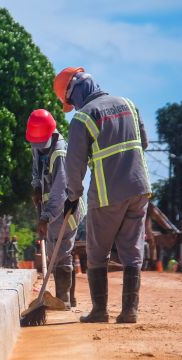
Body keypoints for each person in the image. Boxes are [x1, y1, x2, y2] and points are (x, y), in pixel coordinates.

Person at [54, 67, 150, 323]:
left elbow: (74, 166)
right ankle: (130, 311)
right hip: (139, 188)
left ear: (74, 92)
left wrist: (72, 197)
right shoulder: (129, 104)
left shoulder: (84, 118)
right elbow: (145, 143)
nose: (73, 107)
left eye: (70, 101)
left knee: (98, 253)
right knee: (132, 250)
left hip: (108, 194)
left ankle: (99, 311)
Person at [27, 108, 86, 309]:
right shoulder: (38, 144)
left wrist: (45, 217)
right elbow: (36, 169)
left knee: (61, 252)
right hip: (50, 208)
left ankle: (64, 300)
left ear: (51, 134)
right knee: (56, 251)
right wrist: (36, 186)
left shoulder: (60, 153)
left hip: (67, 206)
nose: (39, 148)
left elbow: (60, 190)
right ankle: (69, 297)